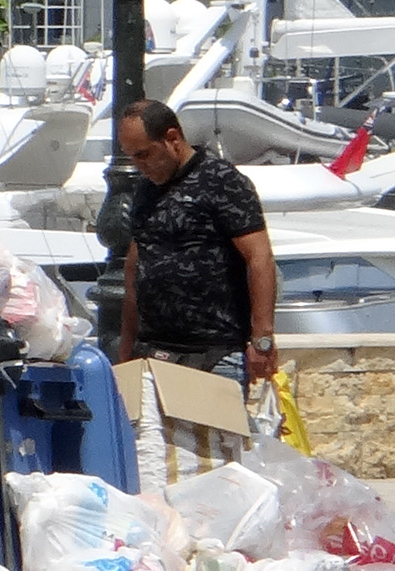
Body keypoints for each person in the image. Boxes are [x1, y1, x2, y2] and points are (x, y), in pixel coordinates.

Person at [114, 96, 278, 388]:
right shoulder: (145, 192)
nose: (138, 166)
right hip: (152, 352)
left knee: (214, 435)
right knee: (151, 436)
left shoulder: (222, 181)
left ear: (172, 138)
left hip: (214, 353)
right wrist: (126, 348)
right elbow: (134, 269)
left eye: (143, 155)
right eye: (131, 157)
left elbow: (259, 258)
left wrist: (262, 340)